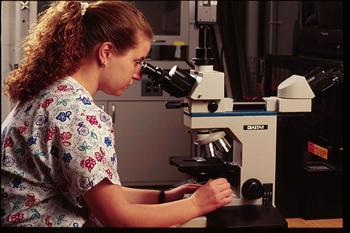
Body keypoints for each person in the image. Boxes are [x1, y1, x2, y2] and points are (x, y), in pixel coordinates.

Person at [1, 1, 232, 227]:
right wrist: (196, 205)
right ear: (106, 52)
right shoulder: (77, 113)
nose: (138, 74)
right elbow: (118, 218)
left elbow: (103, 195)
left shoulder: (48, 95)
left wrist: (164, 197)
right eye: (137, 61)